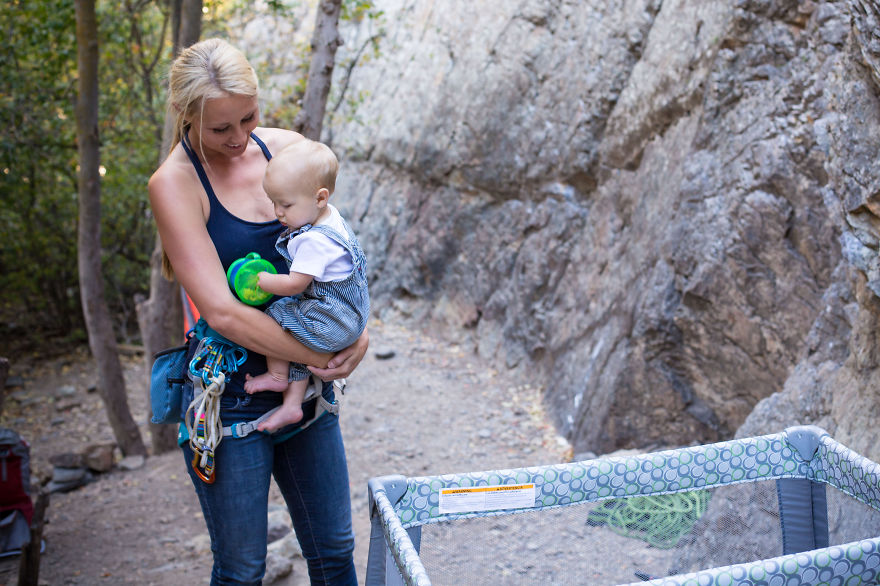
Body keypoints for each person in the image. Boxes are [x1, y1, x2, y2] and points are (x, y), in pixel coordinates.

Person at [148, 38, 367, 585]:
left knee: (335, 551)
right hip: (230, 400)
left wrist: (359, 337)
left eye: (248, 118)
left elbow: (343, 258)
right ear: (185, 114)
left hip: (304, 389)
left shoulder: (287, 151)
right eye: (220, 129)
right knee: (243, 569)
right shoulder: (174, 185)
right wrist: (321, 353)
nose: (240, 138)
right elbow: (221, 313)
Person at [242, 139, 370, 432]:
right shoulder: (330, 219)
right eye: (274, 202)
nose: (278, 212)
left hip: (332, 322)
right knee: (300, 329)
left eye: (285, 204)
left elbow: (294, 284)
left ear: (320, 198)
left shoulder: (314, 240)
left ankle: (277, 376)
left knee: (279, 314)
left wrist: (265, 280)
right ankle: (292, 406)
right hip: (351, 316)